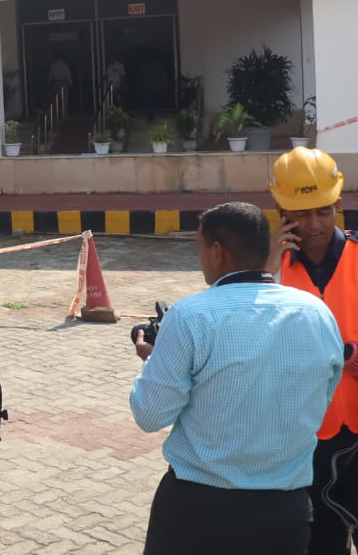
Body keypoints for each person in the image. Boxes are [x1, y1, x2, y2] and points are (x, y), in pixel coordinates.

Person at [131, 201, 342, 555]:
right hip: (285, 510)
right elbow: (324, 394)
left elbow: (150, 415)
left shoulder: (190, 315)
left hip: (197, 509)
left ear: (216, 251)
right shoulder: (317, 312)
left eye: (200, 247)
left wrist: (152, 360)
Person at [268, 147, 358, 555]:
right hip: (303, 441)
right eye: (302, 214)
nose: (314, 224)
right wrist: (266, 269)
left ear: (338, 205)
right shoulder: (269, 271)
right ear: (281, 211)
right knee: (321, 545)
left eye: (323, 211)